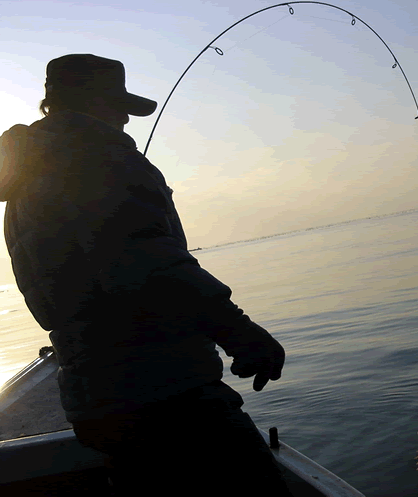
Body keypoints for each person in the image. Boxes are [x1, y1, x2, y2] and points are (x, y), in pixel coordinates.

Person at [0, 54, 290, 495]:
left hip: (94, 397)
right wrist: (241, 333)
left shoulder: (25, 181)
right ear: (96, 102)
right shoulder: (97, 161)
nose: (124, 121)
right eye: (119, 107)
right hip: (164, 394)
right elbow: (152, 266)